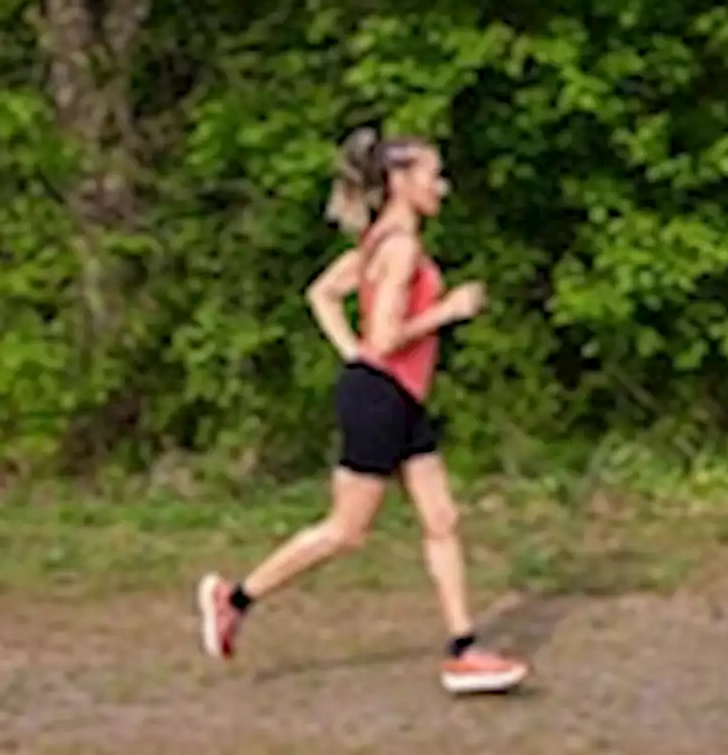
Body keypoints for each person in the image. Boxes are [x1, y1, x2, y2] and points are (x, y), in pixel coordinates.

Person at [196, 127, 529, 695]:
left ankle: (464, 650)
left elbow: (321, 294)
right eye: (433, 175)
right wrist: (447, 311)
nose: (442, 187)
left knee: (442, 520)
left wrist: (353, 353)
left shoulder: (381, 241)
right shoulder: (397, 247)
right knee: (347, 531)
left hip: (397, 397)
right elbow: (388, 335)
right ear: (400, 181)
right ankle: (236, 597)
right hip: (379, 399)